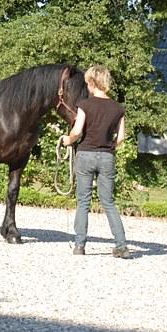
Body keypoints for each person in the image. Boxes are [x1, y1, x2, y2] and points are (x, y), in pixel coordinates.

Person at [60, 65, 129, 258]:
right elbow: (121, 138)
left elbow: (77, 131)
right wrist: (110, 148)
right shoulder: (118, 108)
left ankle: (80, 246)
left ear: (92, 83)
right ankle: (121, 245)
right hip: (107, 157)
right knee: (108, 202)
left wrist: (67, 140)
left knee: (83, 202)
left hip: (86, 155)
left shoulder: (85, 105)